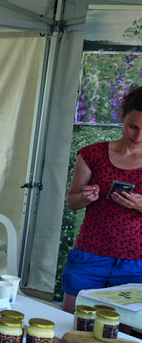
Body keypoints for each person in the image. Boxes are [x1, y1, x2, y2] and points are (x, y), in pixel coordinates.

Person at [61, 86, 142, 313]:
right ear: (122, 115)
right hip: (89, 254)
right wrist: (86, 197)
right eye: (132, 127)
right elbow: (72, 202)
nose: (138, 137)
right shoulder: (93, 154)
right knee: (71, 323)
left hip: (136, 262)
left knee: (118, 336)